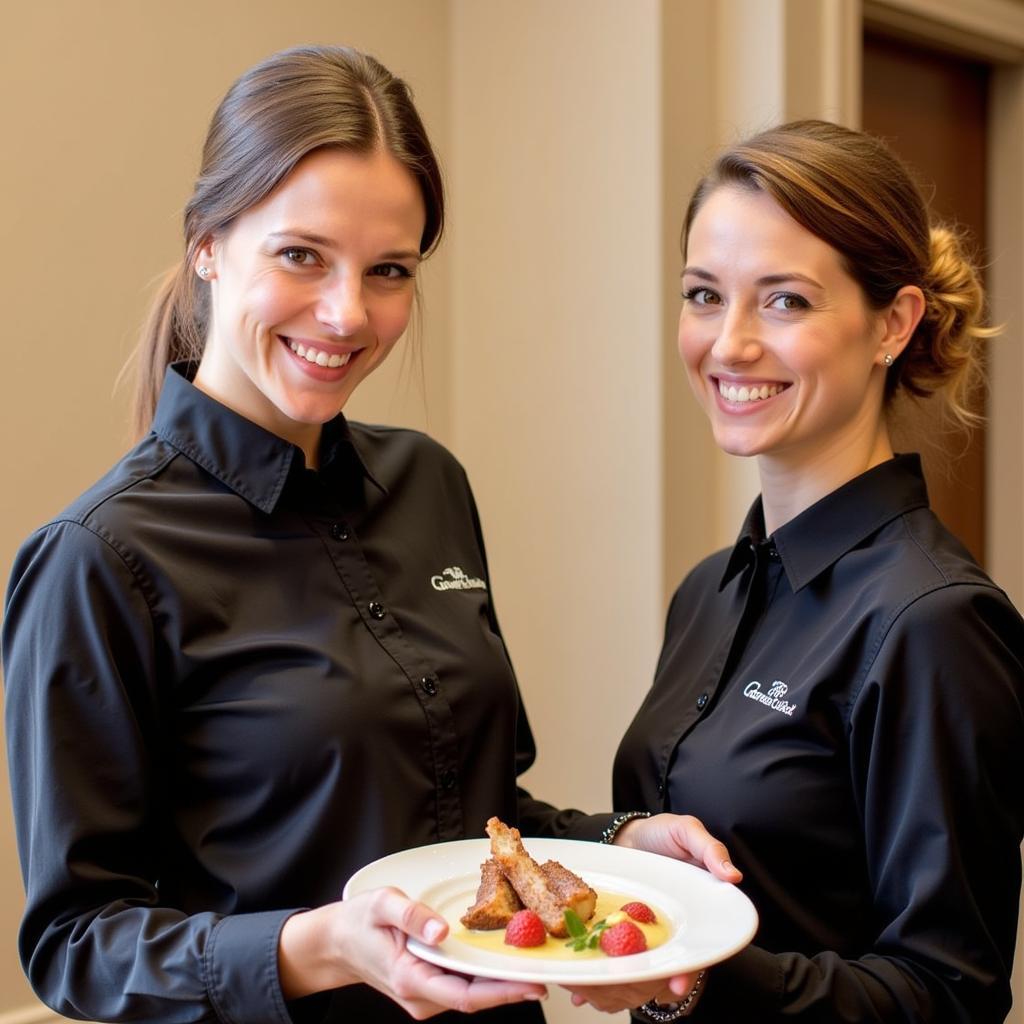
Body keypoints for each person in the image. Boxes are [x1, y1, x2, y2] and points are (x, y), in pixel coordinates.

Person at [1, 45, 738, 1024]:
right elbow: (78, 945)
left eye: (387, 270)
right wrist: (319, 947)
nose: (348, 313)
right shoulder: (98, 558)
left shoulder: (429, 481)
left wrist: (613, 841)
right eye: (302, 255)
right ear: (209, 244)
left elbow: (471, 817)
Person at [604, 120, 1024, 1022]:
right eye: (704, 295)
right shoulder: (710, 590)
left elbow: (950, 995)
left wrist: (703, 974)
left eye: (785, 301)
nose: (730, 344)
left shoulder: (934, 622)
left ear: (894, 324)